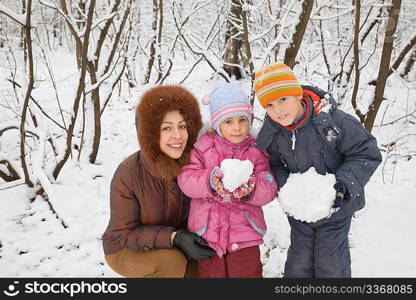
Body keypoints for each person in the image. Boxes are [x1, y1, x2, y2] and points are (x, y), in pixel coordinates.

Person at [253, 62, 382, 278]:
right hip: (300, 210)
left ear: (297, 95)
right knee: (298, 264)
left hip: (336, 206)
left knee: (330, 263)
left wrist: (342, 185)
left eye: (282, 100)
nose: (278, 110)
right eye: (270, 105)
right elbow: (273, 162)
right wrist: (287, 187)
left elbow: (366, 153)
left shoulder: (332, 122)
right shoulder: (273, 133)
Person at [102, 85, 216, 278]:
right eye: (166, 128)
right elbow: (124, 233)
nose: (178, 135)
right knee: (172, 263)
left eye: (182, 126)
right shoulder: (128, 173)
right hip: (124, 248)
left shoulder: (195, 163)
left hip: (175, 245)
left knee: (205, 269)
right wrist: (174, 237)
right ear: (151, 134)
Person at [177, 84, 278, 278]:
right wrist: (210, 182)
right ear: (217, 124)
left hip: (245, 234)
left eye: (242, 120)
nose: (237, 127)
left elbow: (269, 186)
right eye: (229, 121)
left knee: (247, 274)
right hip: (208, 234)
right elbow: (186, 179)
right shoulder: (202, 149)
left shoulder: (256, 152)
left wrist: (251, 189)